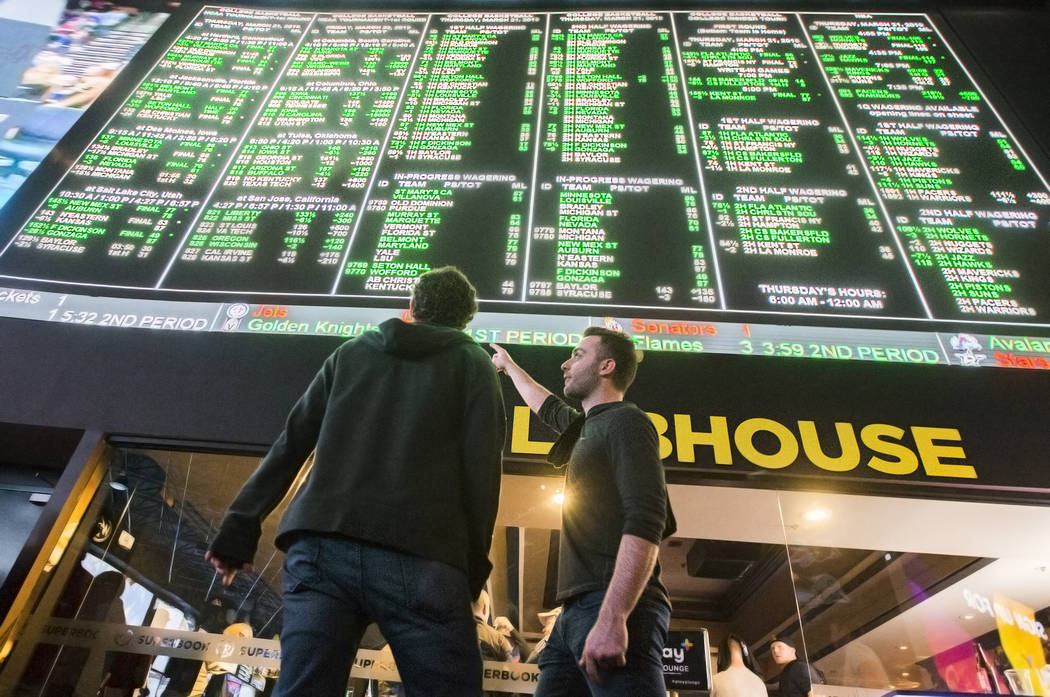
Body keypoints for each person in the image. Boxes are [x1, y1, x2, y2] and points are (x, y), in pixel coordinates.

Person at [205, 266, 506, 697]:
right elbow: (482, 477)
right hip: (423, 558)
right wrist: (472, 570)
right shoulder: (474, 365)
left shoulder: (352, 352)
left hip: (322, 546)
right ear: (464, 322)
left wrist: (240, 526)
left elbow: (292, 443)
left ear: (412, 306)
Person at [491, 327, 676, 696]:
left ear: (606, 366)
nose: (564, 364)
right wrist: (510, 367)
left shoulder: (627, 421)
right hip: (572, 615)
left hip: (611, 604)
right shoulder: (589, 428)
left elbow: (648, 517)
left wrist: (614, 616)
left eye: (577, 355)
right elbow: (547, 407)